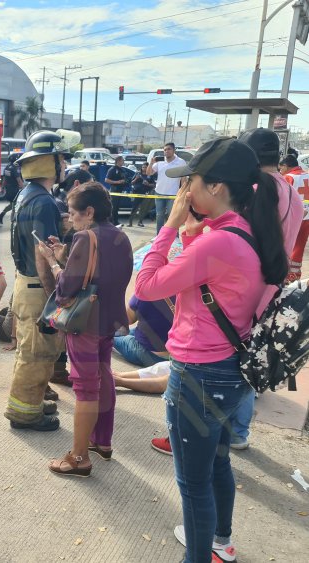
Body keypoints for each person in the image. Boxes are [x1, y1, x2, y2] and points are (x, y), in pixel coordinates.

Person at [135, 138, 287, 563]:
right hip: (228, 370)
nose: (186, 192)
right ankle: (221, 541)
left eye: (192, 183)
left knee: (193, 483)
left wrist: (169, 228)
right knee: (217, 464)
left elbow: (146, 288)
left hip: (199, 374)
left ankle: (200, 556)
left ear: (217, 187)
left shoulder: (217, 243)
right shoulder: (242, 231)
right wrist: (192, 234)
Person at [39, 181, 133, 476]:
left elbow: (66, 287)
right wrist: (67, 257)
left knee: (85, 388)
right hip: (109, 319)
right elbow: (102, 275)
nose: (70, 218)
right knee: (104, 376)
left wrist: (54, 263)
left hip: (85, 322)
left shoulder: (85, 236)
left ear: (89, 211)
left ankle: (79, 457)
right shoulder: (121, 236)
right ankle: (101, 441)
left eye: (72, 212)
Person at [231, 128, 304, 449]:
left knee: (228, 363)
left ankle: (227, 431)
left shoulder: (256, 191)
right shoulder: (294, 195)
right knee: (248, 362)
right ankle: (239, 433)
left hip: (244, 288)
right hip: (272, 288)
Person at [4, 130, 68, 431]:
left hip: (24, 283)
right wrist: (57, 296)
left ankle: (32, 401)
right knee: (37, 352)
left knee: (32, 351)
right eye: (61, 159)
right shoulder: (44, 202)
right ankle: (24, 413)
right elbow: (44, 254)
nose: (65, 165)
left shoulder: (25, 195)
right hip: (37, 287)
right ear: (48, 163)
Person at [113, 295, 174, 368]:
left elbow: (128, 320)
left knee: (107, 336)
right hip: (176, 356)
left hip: (150, 354)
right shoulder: (186, 293)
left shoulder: (144, 291)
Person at [279, 153, 309, 283]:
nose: (280, 171)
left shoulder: (287, 177)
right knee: (299, 246)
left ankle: (284, 277)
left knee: (286, 245)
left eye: (281, 168)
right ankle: (295, 275)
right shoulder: (307, 174)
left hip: (294, 216)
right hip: (307, 216)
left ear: (286, 166)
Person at [147, 143, 186, 233]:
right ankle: (159, 235)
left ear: (174, 150)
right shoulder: (159, 162)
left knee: (172, 217)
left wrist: (183, 193)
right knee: (159, 215)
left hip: (173, 194)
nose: (166, 151)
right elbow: (149, 173)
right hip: (159, 193)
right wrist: (151, 163)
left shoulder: (181, 162)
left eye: (169, 149)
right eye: (165, 150)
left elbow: (183, 179)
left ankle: (174, 237)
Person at [0, 153, 25, 224]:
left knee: (13, 204)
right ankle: (13, 221)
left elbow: (5, 179)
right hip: (15, 190)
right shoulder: (16, 168)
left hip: (8, 189)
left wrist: (2, 187)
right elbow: (19, 181)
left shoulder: (7, 167)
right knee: (16, 205)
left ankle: (2, 216)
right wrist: (24, 189)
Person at [104, 155, 128, 227]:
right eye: (122, 160)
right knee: (113, 207)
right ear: (118, 161)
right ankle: (112, 222)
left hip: (121, 190)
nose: (123, 162)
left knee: (117, 207)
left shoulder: (122, 169)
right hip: (115, 190)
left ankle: (116, 221)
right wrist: (117, 182)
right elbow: (106, 180)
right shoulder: (112, 169)